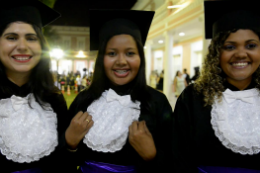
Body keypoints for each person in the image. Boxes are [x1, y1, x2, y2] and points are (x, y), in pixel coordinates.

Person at [65, 9, 173, 173]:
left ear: (140, 58)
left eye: (130, 53)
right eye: (112, 53)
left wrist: (152, 156)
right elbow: (62, 164)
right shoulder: (83, 100)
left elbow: (177, 161)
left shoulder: (157, 102)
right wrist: (70, 145)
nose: (121, 61)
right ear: (102, 59)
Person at [172, 0, 260, 172]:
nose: (241, 53)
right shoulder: (193, 97)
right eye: (229, 46)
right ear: (216, 53)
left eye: (251, 45)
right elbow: (178, 159)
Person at [0, 1, 73, 172]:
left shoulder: (53, 99)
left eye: (31, 38)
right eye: (11, 37)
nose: (22, 46)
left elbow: (62, 164)